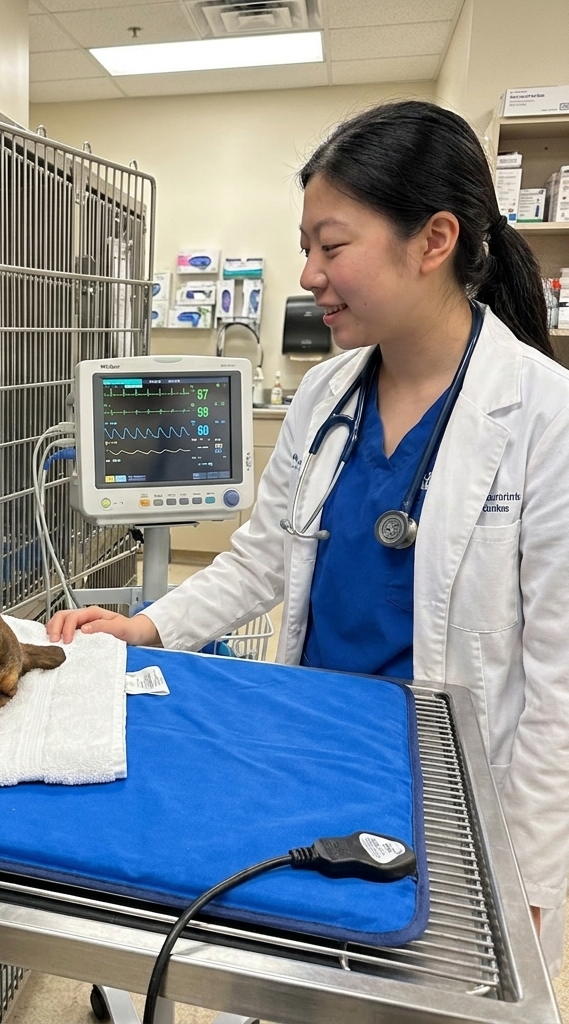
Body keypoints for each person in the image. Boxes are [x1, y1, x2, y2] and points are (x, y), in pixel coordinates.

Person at [48, 100, 569, 976]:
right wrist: (145, 628)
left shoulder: (544, 417)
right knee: (301, 972)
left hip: (453, 792)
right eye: (307, 248)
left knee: (420, 985)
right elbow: (260, 557)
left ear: (433, 239)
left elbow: (559, 688)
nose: (310, 274)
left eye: (332, 247)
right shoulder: (327, 396)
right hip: (319, 747)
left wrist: (526, 876)